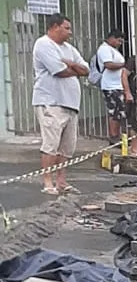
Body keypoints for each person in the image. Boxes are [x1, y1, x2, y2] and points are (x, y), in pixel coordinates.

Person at [32, 14, 89, 196]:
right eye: (66, 28)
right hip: (51, 101)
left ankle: (61, 181)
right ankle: (47, 181)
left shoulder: (69, 49)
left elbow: (86, 70)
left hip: (71, 103)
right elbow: (60, 71)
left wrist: (72, 64)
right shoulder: (43, 44)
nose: (69, 32)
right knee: (51, 144)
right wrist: (74, 70)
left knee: (67, 147)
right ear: (55, 27)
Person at [93, 28, 128, 145]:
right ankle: (114, 137)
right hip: (110, 86)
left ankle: (117, 136)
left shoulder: (113, 50)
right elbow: (108, 65)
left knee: (119, 110)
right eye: (119, 41)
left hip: (117, 85)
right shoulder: (104, 49)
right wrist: (124, 64)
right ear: (112, 38)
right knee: (114, 111)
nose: (120, 44)